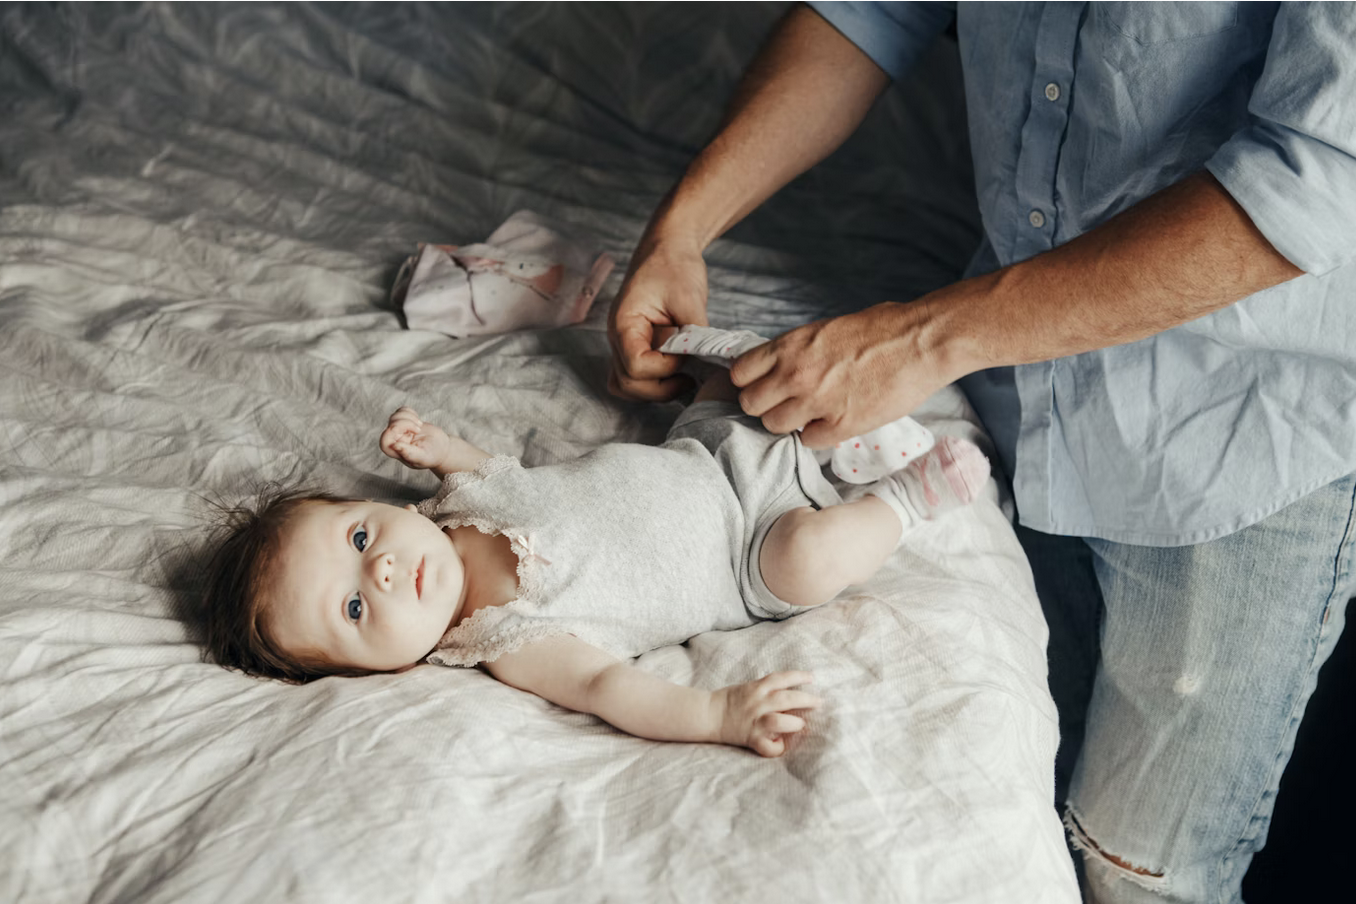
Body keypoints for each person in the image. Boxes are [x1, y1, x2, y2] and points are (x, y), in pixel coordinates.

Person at [606, 3, 1356, 901]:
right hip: (1011, 394)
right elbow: (874, 10)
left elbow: (1318, 174)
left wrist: (925, 340)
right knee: (1009, 799)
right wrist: (682, 230)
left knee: (1137, 870)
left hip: (1240, 439)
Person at [202, 376, 991, 759]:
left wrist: (435, 447)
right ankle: (904, 500)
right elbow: (608, 686)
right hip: (751, 554)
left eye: (357, 539)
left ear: (383, 509)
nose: (377, 572)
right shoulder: (506, 639)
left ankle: (830, 439)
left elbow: (483, 463)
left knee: (743, 374)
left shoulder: (459, 502)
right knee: (813, 557)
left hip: (709, 450)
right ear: (379, 671)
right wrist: (716, 716)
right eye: (353, 611)